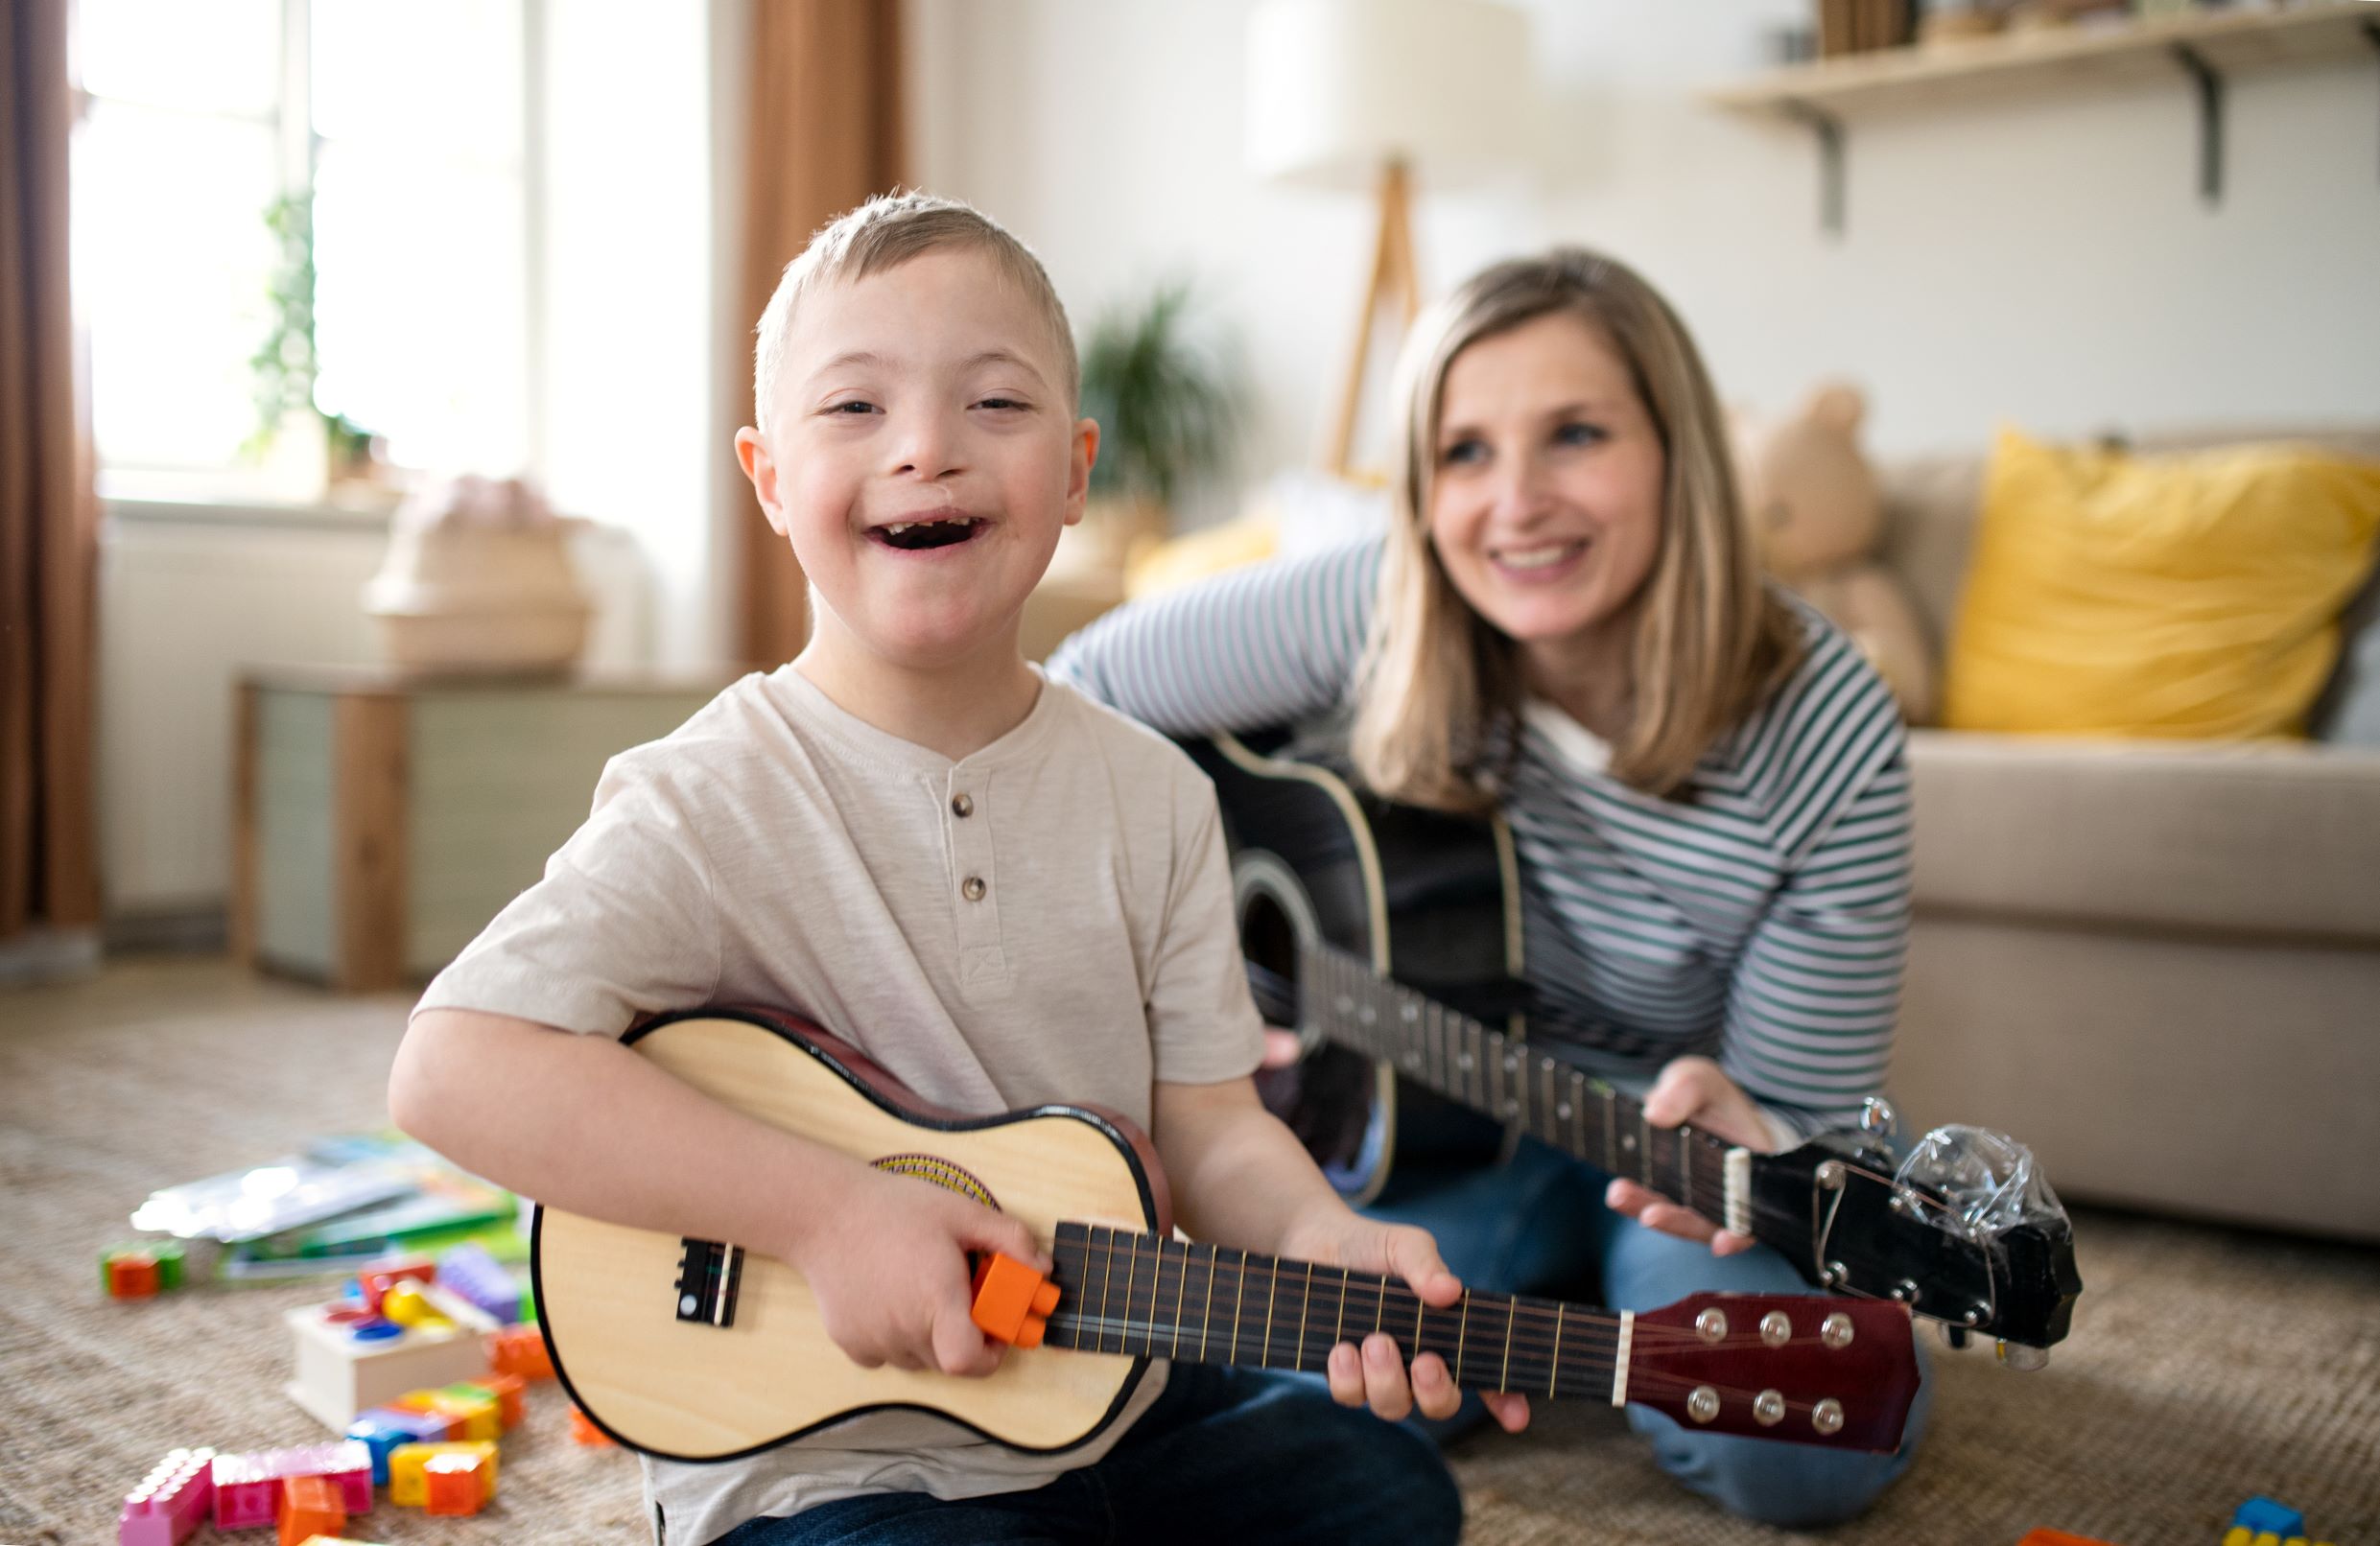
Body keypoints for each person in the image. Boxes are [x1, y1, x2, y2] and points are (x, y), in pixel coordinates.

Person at [386, 193, 1485, 1546]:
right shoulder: (705, 796)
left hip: (1103, 1391)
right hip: (820, 1466)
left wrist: (1317, 1238)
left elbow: (1208, 1130)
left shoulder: (1157, 796)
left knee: (1385, 1492)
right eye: (853, 409)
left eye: (994, 406)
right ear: (769, 477)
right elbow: (450, 1065)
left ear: (1075, 471)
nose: (925, 451)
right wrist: (833, 1215)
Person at [1049, 246, 1932, 1529]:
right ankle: (1553, 1293)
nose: (1513, 502)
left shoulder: (1825, 721)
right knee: (1271, 1391)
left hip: (1661, 1155)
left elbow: (1797, 1100)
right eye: (1463, 452)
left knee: (1790, 1445)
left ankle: (1598, 1277)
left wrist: (1765, 1134)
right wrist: (1189, 976)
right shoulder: (1376, 603)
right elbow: (1080, 693)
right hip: (1420, 1117)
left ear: (1674, 454)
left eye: (1573, 434)